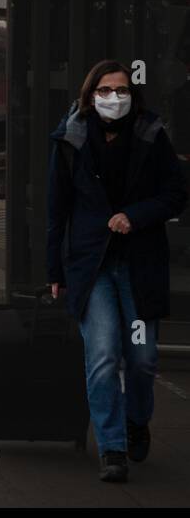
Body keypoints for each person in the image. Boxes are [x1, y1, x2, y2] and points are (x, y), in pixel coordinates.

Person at [47, 59, 187, 483]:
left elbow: (176, 194)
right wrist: (56, 269)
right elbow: (58, 210)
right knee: (104, 355)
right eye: (105, 90)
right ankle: (112, 448)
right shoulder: (71, 140)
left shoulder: (151, 135)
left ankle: (136, 420)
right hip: (93, 268)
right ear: (90, 97)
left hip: (139, 265)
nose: (114, 98)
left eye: (122, 90)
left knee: (142, 359)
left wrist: (136, 215)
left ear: (133, 95)